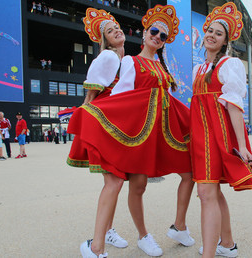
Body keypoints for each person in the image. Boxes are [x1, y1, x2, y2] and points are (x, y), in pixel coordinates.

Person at [71, 5, 194, 257]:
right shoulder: (130, 61)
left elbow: (170, 104)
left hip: (162, 136)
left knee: (190, 173)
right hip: (138, 136)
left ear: (163, 43)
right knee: (137, 187)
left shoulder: (163, 68)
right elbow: (120, 96)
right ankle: (143, 235)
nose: (157, 36)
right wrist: (92, 111)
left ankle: (179, 226)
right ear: (145, 32)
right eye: (155, 31)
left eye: (163, 36)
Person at [190, 3, 252, 257]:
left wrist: (241, 145)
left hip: (218, 134)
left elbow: (233, 105)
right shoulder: (199, 69)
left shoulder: (230, 65)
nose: (211, 34)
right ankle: (227, 244)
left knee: (206, 193)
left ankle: (209, 253)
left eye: (218, 33)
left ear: (225, 41)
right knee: (212, 192)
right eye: (209, 30)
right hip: (200, 136)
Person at [67, 8, 128, 258]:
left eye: (117, 28)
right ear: (105, 39)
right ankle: (96, 245)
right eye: (110, 31)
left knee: (114, 181)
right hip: (105, 119)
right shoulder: (110, 57)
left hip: (113, 119)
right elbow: (92, 90)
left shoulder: (123, 59)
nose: (116, 31)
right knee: (114, 181)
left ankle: (107, 231)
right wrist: (86, 113)